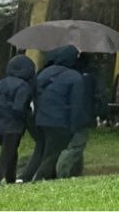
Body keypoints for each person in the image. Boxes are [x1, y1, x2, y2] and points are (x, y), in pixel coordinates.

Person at [23, 45, 86, 181]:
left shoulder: (43, 73)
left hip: (40, 119)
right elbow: (77, 104)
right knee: (53, 153)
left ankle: (27, 176)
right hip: (60, 121)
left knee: (40, 149)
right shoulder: (75, 78)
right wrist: (74, 126)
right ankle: (40, 179)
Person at [0, 54, 35, 185]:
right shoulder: (24, 86)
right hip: (13, 127)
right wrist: (28, 117)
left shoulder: (1, 83)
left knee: (11, 153)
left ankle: (10, 180)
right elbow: (19, 108)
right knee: (6, 156)